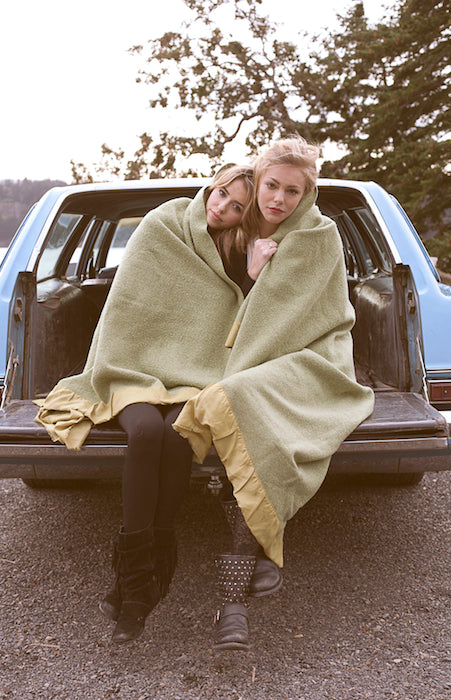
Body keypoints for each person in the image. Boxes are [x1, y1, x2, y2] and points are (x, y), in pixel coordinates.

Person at [35, 164, 278, 644]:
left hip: (197, 374)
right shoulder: (162, 223)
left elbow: (247, 321)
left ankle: (135, 590)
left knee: (176, 435)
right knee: (146, 432)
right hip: (132, 369)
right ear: (213, 184)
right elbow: (128, 307)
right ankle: (142, 578)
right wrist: (128, 363)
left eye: (235, 209)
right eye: (222, 194)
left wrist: (252, 276)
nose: (222, 208)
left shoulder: (235, 251)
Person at [173, 136, 375, 651]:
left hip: (310, 357)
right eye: (270, 186)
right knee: (233, 396)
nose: (278, 199)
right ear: (257, 180)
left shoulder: (319, 234)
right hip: (235, 356)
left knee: (236, 398)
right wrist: (252, 271)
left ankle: (241, 580)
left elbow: (308, 314)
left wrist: (266, 276)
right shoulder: (233, 227)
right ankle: (258, 547)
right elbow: (210, 299)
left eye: (291, 190)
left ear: (306, 194)